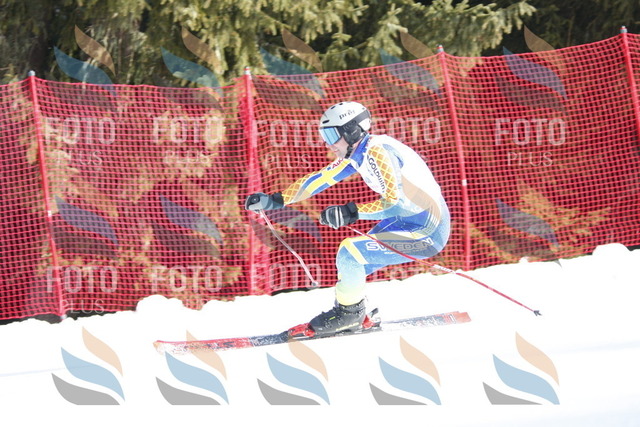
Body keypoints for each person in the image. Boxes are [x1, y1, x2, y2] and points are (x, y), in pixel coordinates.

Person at [245, 101, 450, 337]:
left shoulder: (378, 152)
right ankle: (355, 313)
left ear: (352, 131)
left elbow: (397, 204)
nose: (328, 143)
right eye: (325, 136)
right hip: (409, 221)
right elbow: (321, 178)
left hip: (427, 231)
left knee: (350, 253)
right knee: (352, 262)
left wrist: (351, 212)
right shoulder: (360, 152)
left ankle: (349, 315)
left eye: (332, 135)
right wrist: (276, 200)